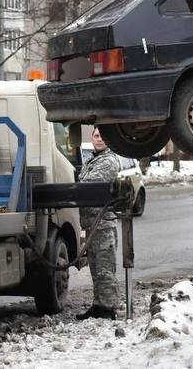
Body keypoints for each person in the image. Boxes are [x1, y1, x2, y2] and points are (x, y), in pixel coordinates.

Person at [78, 127, 123, 319]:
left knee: (105, 270)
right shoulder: (92, 160)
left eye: (103, 136)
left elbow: (88, 184)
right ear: (92, 138)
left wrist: (78, 186)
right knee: (96, 269)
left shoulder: (109, 160)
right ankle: (98, 305)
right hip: (92, 224)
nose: (100, 139)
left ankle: (108, 308)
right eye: (96, 135)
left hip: (103, 224)